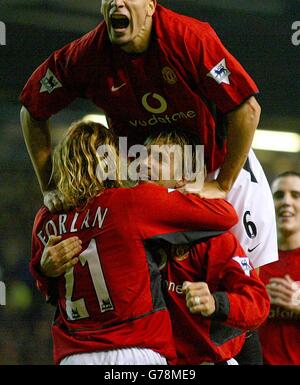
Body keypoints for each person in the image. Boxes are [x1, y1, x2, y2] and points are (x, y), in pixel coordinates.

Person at [20, 0, 277, 271]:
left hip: (215, 166)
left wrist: (221, 184)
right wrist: (49, 186)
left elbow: (247, 110)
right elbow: (31, 110)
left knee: (244, 280)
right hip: (147, 178)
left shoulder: (189, 38)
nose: (117, 2)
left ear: (151, 6)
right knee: (156, 284)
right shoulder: (87, 56)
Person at [30, 119, 239, 365]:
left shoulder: (45, 218)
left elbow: (48, 294)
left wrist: (42, 270)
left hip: (73, 354)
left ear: (62, 162)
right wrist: (195, 190)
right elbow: (225, 215)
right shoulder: (133, 201)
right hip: (137, 349)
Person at [143, 130, 270, 365]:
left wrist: (215, 302)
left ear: (183, 178)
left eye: (159, 159)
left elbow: (257, 303)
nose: (144, 164)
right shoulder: (128, 225)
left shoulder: (215, 239)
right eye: (144, 156)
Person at [258, 171, 300, 365]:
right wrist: (257, 299)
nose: (286, 201)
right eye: (278, 195)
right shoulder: (254, 257)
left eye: (296, 195)